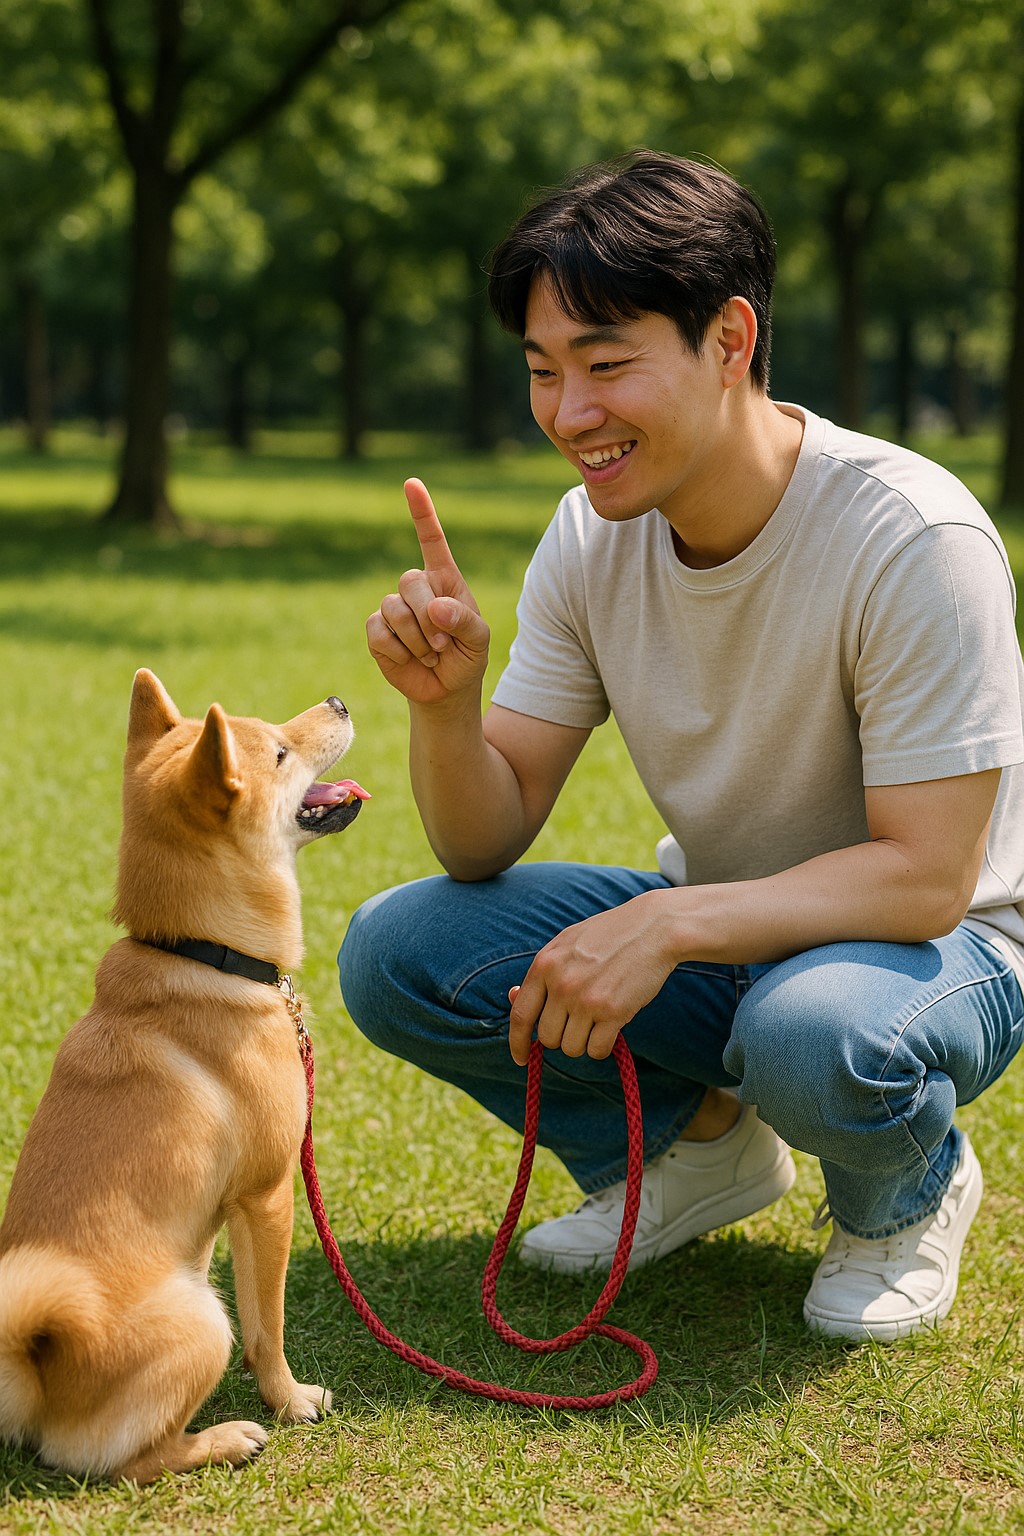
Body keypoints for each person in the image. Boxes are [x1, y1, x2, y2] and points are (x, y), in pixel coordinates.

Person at [338, 149, 1024, 1342]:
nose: (570, 414)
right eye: (544, 372)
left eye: (607, 365)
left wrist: (664, 921)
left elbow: (926, 878)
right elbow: (481, 835)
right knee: (399, 949)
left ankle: (902, 1199)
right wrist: (445, 707)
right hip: (733, 936)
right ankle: (697, 1153)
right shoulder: (590, 536)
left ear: (729, 340)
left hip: (940, 954)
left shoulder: (912, 537)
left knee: (811, 1032)